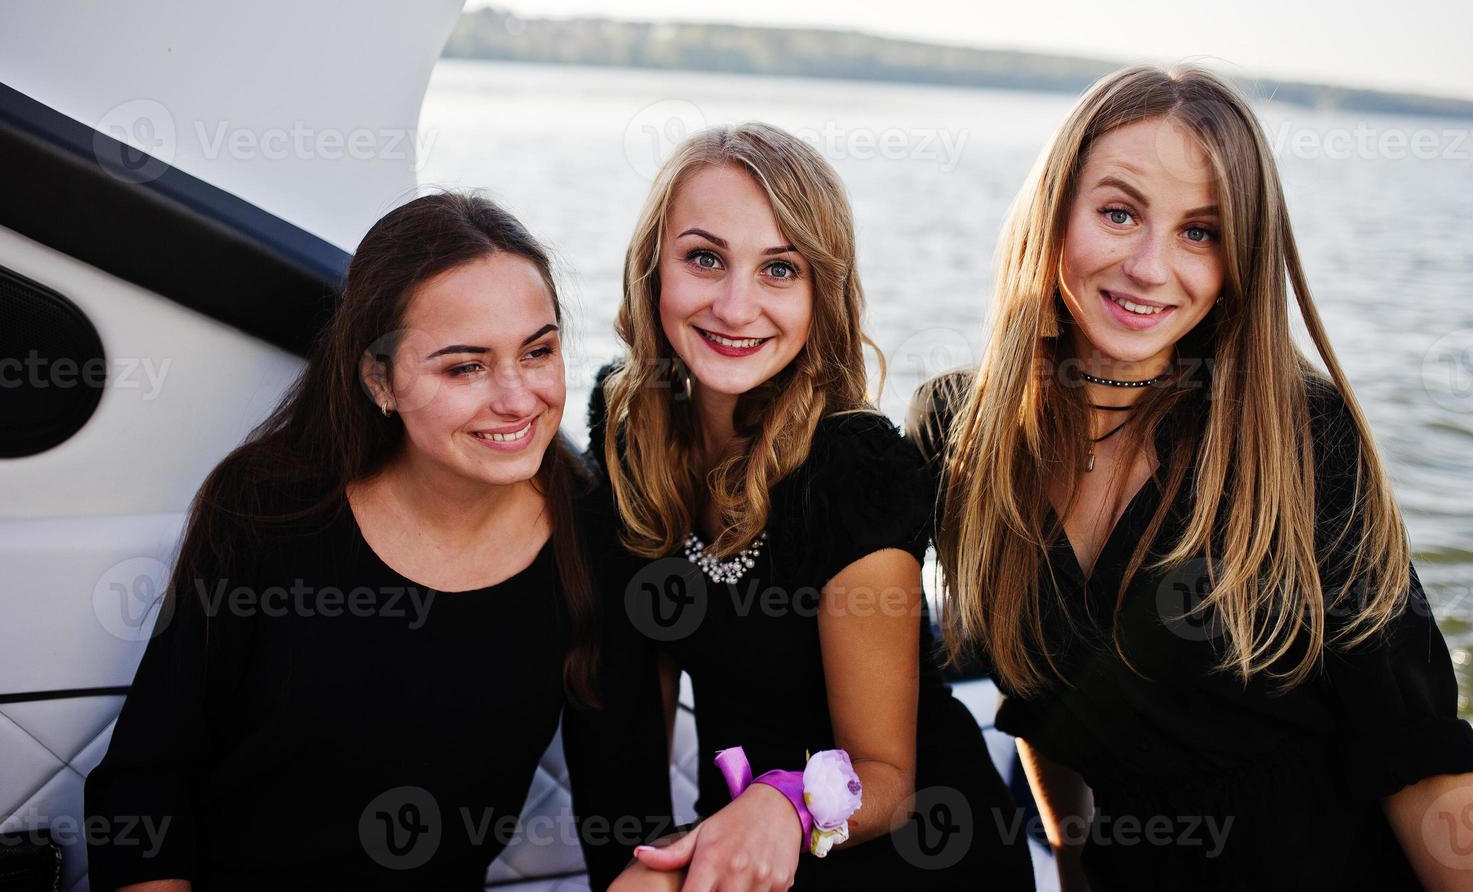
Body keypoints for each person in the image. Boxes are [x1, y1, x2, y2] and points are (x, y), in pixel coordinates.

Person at [909, 65, 1473, 891]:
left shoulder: (1297, 438)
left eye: (1199, 233)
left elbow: (1413, 752)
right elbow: (1040, 710)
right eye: (1118, 212)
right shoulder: (958, 429)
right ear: (1054, 210)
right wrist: (1068, 865)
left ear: (1240, 257)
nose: (1148, 267)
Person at [85, 192, 605, 890]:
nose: (517, 399)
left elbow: (627, 817)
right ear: (379, 379)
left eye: (537, 352)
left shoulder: (591, 531)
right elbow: (144, 780)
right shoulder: (268, 505)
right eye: (464, 366)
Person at [564, 123, 1036, 891]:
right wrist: (642, 862)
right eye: (704, 258)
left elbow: (886, 778)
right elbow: (621, 692)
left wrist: (780, 803)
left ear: (821, 293)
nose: (735, 304)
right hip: (736, 848)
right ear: (652, 269)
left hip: (909, 854)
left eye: (778, 269)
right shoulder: (626, 426)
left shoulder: (855, 470)